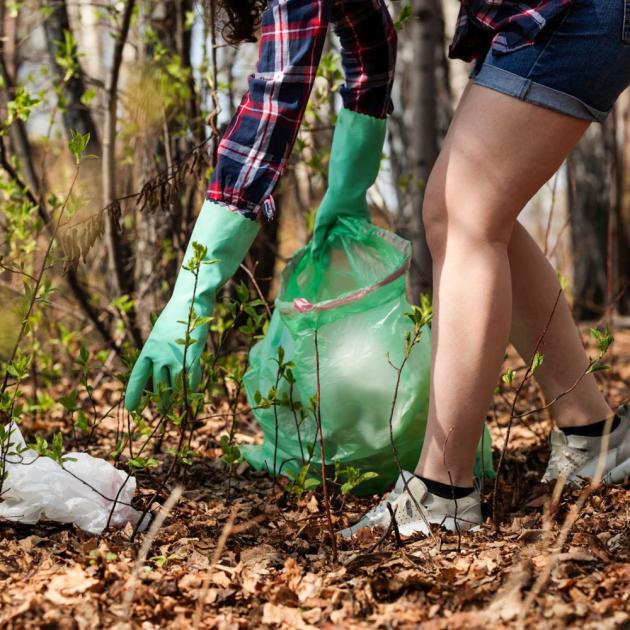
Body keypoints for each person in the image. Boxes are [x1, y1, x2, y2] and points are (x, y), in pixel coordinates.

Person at [341, 0, 630, 538]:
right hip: (550, 14)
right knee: (465, 212)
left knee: (466, 216)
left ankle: (442, 488)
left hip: (570, 11)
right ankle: (592, 430)